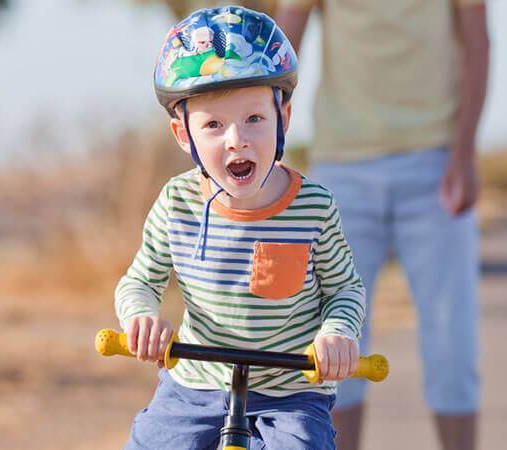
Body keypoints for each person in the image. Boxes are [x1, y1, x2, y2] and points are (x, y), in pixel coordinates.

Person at [114, 6, 366, 449]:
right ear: (182, 134)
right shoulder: (178, 203)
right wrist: (142, 318)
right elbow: (139, 280)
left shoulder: (314, 207)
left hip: (291, 390)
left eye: (254, 118)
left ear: (283, 120)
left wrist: (337, 335)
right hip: (195, 384)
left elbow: (344, 289)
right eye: (213, 124)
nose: (237, 139)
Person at [276, 1, 490, 449]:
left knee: (452, 343)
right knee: (335, 340)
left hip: (436, 163)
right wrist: (264, 144)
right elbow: (284, 44)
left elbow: (477, 40)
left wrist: (465, 153)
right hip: (341, 166)